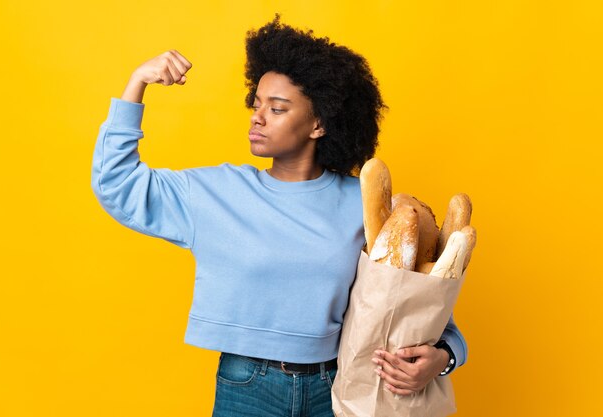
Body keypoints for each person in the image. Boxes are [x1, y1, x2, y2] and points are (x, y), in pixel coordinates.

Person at [91, 16, 467, 417]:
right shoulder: (216, 192)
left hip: (338, 386)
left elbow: (419, 308)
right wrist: (137, 84)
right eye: (256, 104)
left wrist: (443, 358)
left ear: (319, 123)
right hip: (246, 387)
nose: (258, 116)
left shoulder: (365, 206)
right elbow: (116, 184)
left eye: (278, 108)